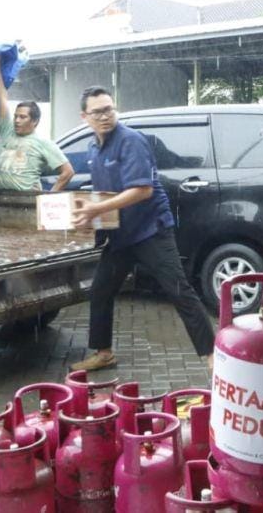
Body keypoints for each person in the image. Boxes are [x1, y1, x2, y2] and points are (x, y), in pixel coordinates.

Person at [69, 86, 215, 372]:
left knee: (178, 289)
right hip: (121, 233)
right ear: (84, 116)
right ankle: (103, 352)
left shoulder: (130, 141)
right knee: (101, 290)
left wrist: (95, 210)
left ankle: (212, 355)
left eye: (109, 109)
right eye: (97, 111)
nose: (105, 116)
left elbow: (142, 190)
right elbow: (105, 196)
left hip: (150, 230)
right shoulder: (93, 148)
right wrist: (91, 218)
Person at [0, 56, 74, 191]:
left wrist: (47, 198)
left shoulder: (43, 143)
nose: (17, 120)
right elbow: (1, 96)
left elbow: (68, 172)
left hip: (26, 203)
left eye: (22, 117)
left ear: (35, 121)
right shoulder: (7, 130)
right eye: (16, 116)